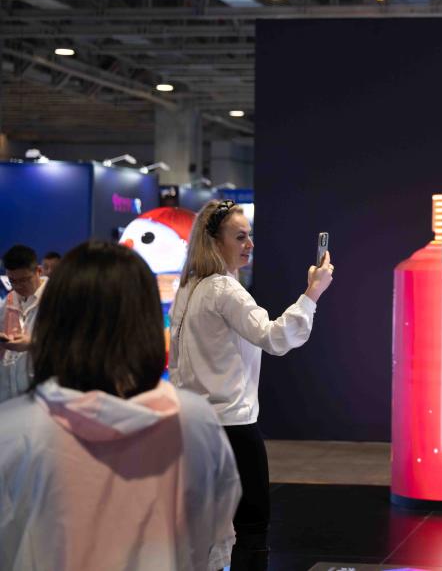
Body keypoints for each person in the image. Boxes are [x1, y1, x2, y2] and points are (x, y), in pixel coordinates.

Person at [0, 241, 241, 570]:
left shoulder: (14, 431)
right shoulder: (194, 421)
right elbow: (212, 537)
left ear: (53, 321)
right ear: (146, 319)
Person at [169, 199, 334, 570]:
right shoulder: (225, 290)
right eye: (240, 237)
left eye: (250, 235)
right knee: (251, 527)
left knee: (204, 528)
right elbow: (275, 338)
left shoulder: (189, 289)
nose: (250, 244)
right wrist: (313, 292)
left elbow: (176, 363)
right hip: (233, 429)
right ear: (215, 242)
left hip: (193, 427)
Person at [0, 245, 46, 402]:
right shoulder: (9, 300)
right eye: (12, 281)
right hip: (8, 393)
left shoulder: (56, 299)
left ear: (38, 271)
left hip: (42, 395)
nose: (18, 286)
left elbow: (69, 344)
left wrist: (33, 344)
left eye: (24, 280)